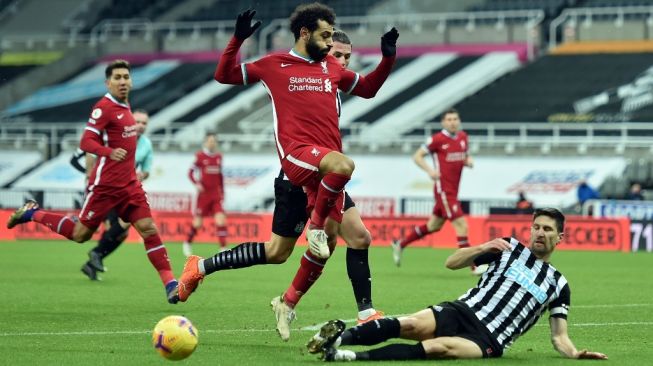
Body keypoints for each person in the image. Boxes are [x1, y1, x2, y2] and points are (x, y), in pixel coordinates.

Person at [177, 4, 398, 339]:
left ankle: (223, 275)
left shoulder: (331, 71)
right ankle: (318, 232)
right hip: (297, 168)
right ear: (304, 33)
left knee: (287, 251)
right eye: (326, 38)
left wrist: (388, 59)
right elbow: (224, 75)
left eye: (339, 48)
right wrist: (236, 40)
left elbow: (367, 88)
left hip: (326, 176)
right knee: (340, 172)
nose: (331, 49)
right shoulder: (275, 64)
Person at [307, 208, 608, 362]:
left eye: (548, 230)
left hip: (488, 338)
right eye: (537, 227)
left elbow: (559, 336)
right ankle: (339, 337)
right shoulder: (507, 247)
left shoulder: (559, 284)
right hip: (463, 310)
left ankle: (346, 357)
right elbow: (452, 262)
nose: (540, 233)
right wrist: (483, 247)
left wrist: (574, 353)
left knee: (439, 348)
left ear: (560, 237)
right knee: (409, 324)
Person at [7, 60, 181, 304]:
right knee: (80, 235)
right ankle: (32, 214)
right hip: (105, 187)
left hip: (130, 186)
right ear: (107, 83)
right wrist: (109, 152)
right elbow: (86, 142)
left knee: (149, 230)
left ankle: (171, 285)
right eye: (117, 78)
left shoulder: (125, 105)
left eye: (126, 77)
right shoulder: (104, 107)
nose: (122, 81)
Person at [391, 108, 483, 274]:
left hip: (453, 191)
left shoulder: (463, 137)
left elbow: (464, 155)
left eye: (455, 119)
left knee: (433, 225)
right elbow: (417, 156)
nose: (453, 122)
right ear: (443, 122)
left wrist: (468, 161)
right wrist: (429, 171)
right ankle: (473, 266)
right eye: (449, 119)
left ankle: (401, 244)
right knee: (462, 225)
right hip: (444, 191)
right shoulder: (437, 139)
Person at [73, 110, 154, 280]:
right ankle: (95, 257)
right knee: (101, 231)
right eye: (138, 121)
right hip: (105, 187)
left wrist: (142, 175)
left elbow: (146, 169)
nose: (141, 126)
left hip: (124, 190)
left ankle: (94, 260)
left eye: (144, 123)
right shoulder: (118, 135)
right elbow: (91, 153)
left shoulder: (146, 144)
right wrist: (89, 175)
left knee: (121, 230)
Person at [182, 132, 228, 257]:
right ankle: (187, 243)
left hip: (216, 195)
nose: (212, 143)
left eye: (214, 141)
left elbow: (220, 176)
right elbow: (190, 172)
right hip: (204, 195)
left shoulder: (219, 157)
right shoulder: (200, 156)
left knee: (221, 220)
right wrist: (196, 183)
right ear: (205, 142)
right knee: (197, 223)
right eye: (210, 140)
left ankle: (223, 248)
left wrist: (222, 192)